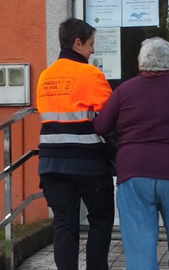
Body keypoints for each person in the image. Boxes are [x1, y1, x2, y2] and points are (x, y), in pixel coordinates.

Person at [93, 37, 169, 270]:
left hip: (134, 173)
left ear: (140, 62)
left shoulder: (124, 90)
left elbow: (101, 127)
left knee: (139, 242)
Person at [36, 18, 115, 270]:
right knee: (101, 221)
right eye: (91, 44)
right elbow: (112, 117)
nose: (93, 51)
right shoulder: (91, 74)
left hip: (51, 165)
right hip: (88, 164)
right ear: (77, 43)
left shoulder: (45, 76)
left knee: (64, 224)